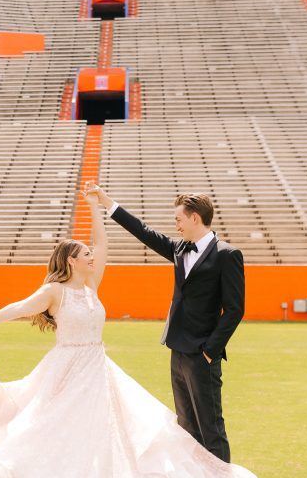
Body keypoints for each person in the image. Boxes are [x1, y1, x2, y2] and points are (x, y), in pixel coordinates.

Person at [0, 183, 260, 478]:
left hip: (104, 370)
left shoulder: (93, 285)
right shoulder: (55, 291)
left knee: (148, 433)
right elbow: (20, 308)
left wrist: (98, 207)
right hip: (70, 371)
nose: (92, 257)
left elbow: (103, 245)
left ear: (194, 218)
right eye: (84, 254)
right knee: (61, 432)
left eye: (179, 218)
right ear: (71, 260)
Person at [86, 185, 244, 463]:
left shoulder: (227, 255)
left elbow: (234, 310)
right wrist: (107, 202)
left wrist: (210, 350)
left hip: (202, 354)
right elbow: (143, 231)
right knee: (186, 427)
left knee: (211, 428)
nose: (177, 225)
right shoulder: (179, 249)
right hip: (177, 349)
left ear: (195, 218)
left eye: (179, 219)